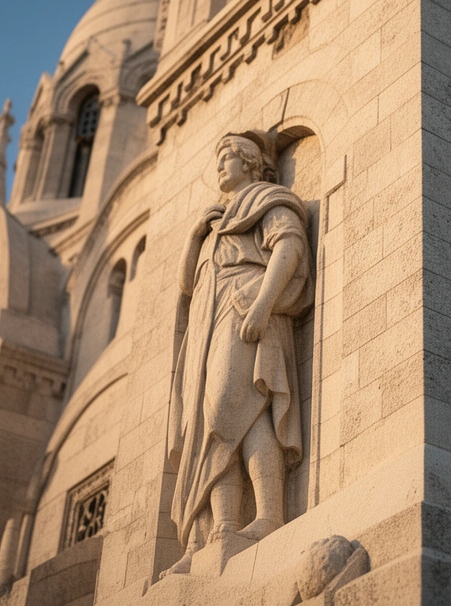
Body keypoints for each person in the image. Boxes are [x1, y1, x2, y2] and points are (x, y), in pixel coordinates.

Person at [165, 131, 312, 574]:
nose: (219, 166)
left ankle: (268, 515)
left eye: (226, 157)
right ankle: (220, 529)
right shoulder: (215, 224)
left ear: (248, 162)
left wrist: (263, 305)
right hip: (208, 322)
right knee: (207, 424)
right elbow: (187, 285)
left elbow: (289, 247)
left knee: (243, 409)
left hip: (242, 306)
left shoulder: (266, 199)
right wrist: (195, 236)